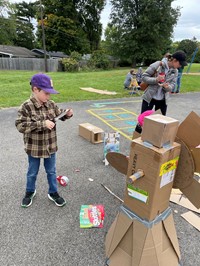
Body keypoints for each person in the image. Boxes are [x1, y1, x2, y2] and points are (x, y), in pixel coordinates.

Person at [15, 73, 73, 208]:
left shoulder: (51, 104)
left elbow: (59, 114)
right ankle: (30, 191)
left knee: (51, 171)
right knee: (32, 172)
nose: (49, 97)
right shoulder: (26, 107)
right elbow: (20, 125)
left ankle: (53, 192)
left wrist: (67, 113)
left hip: (50, 146)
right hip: (34, 148)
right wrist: (42, 124)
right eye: (46, 93)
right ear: (36, 89)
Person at [135, 50, 187, 133]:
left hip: (163, 100)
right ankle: (136, 141)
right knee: (142, 121)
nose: (180, 66)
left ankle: (154, 142)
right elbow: (144, 77)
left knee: (160, 123)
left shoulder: (175, 71)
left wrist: (167, 87)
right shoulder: (158, 64)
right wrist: (156, 79)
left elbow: (173, 85)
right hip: (150, 98)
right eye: (180, 64)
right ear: (174, 60)